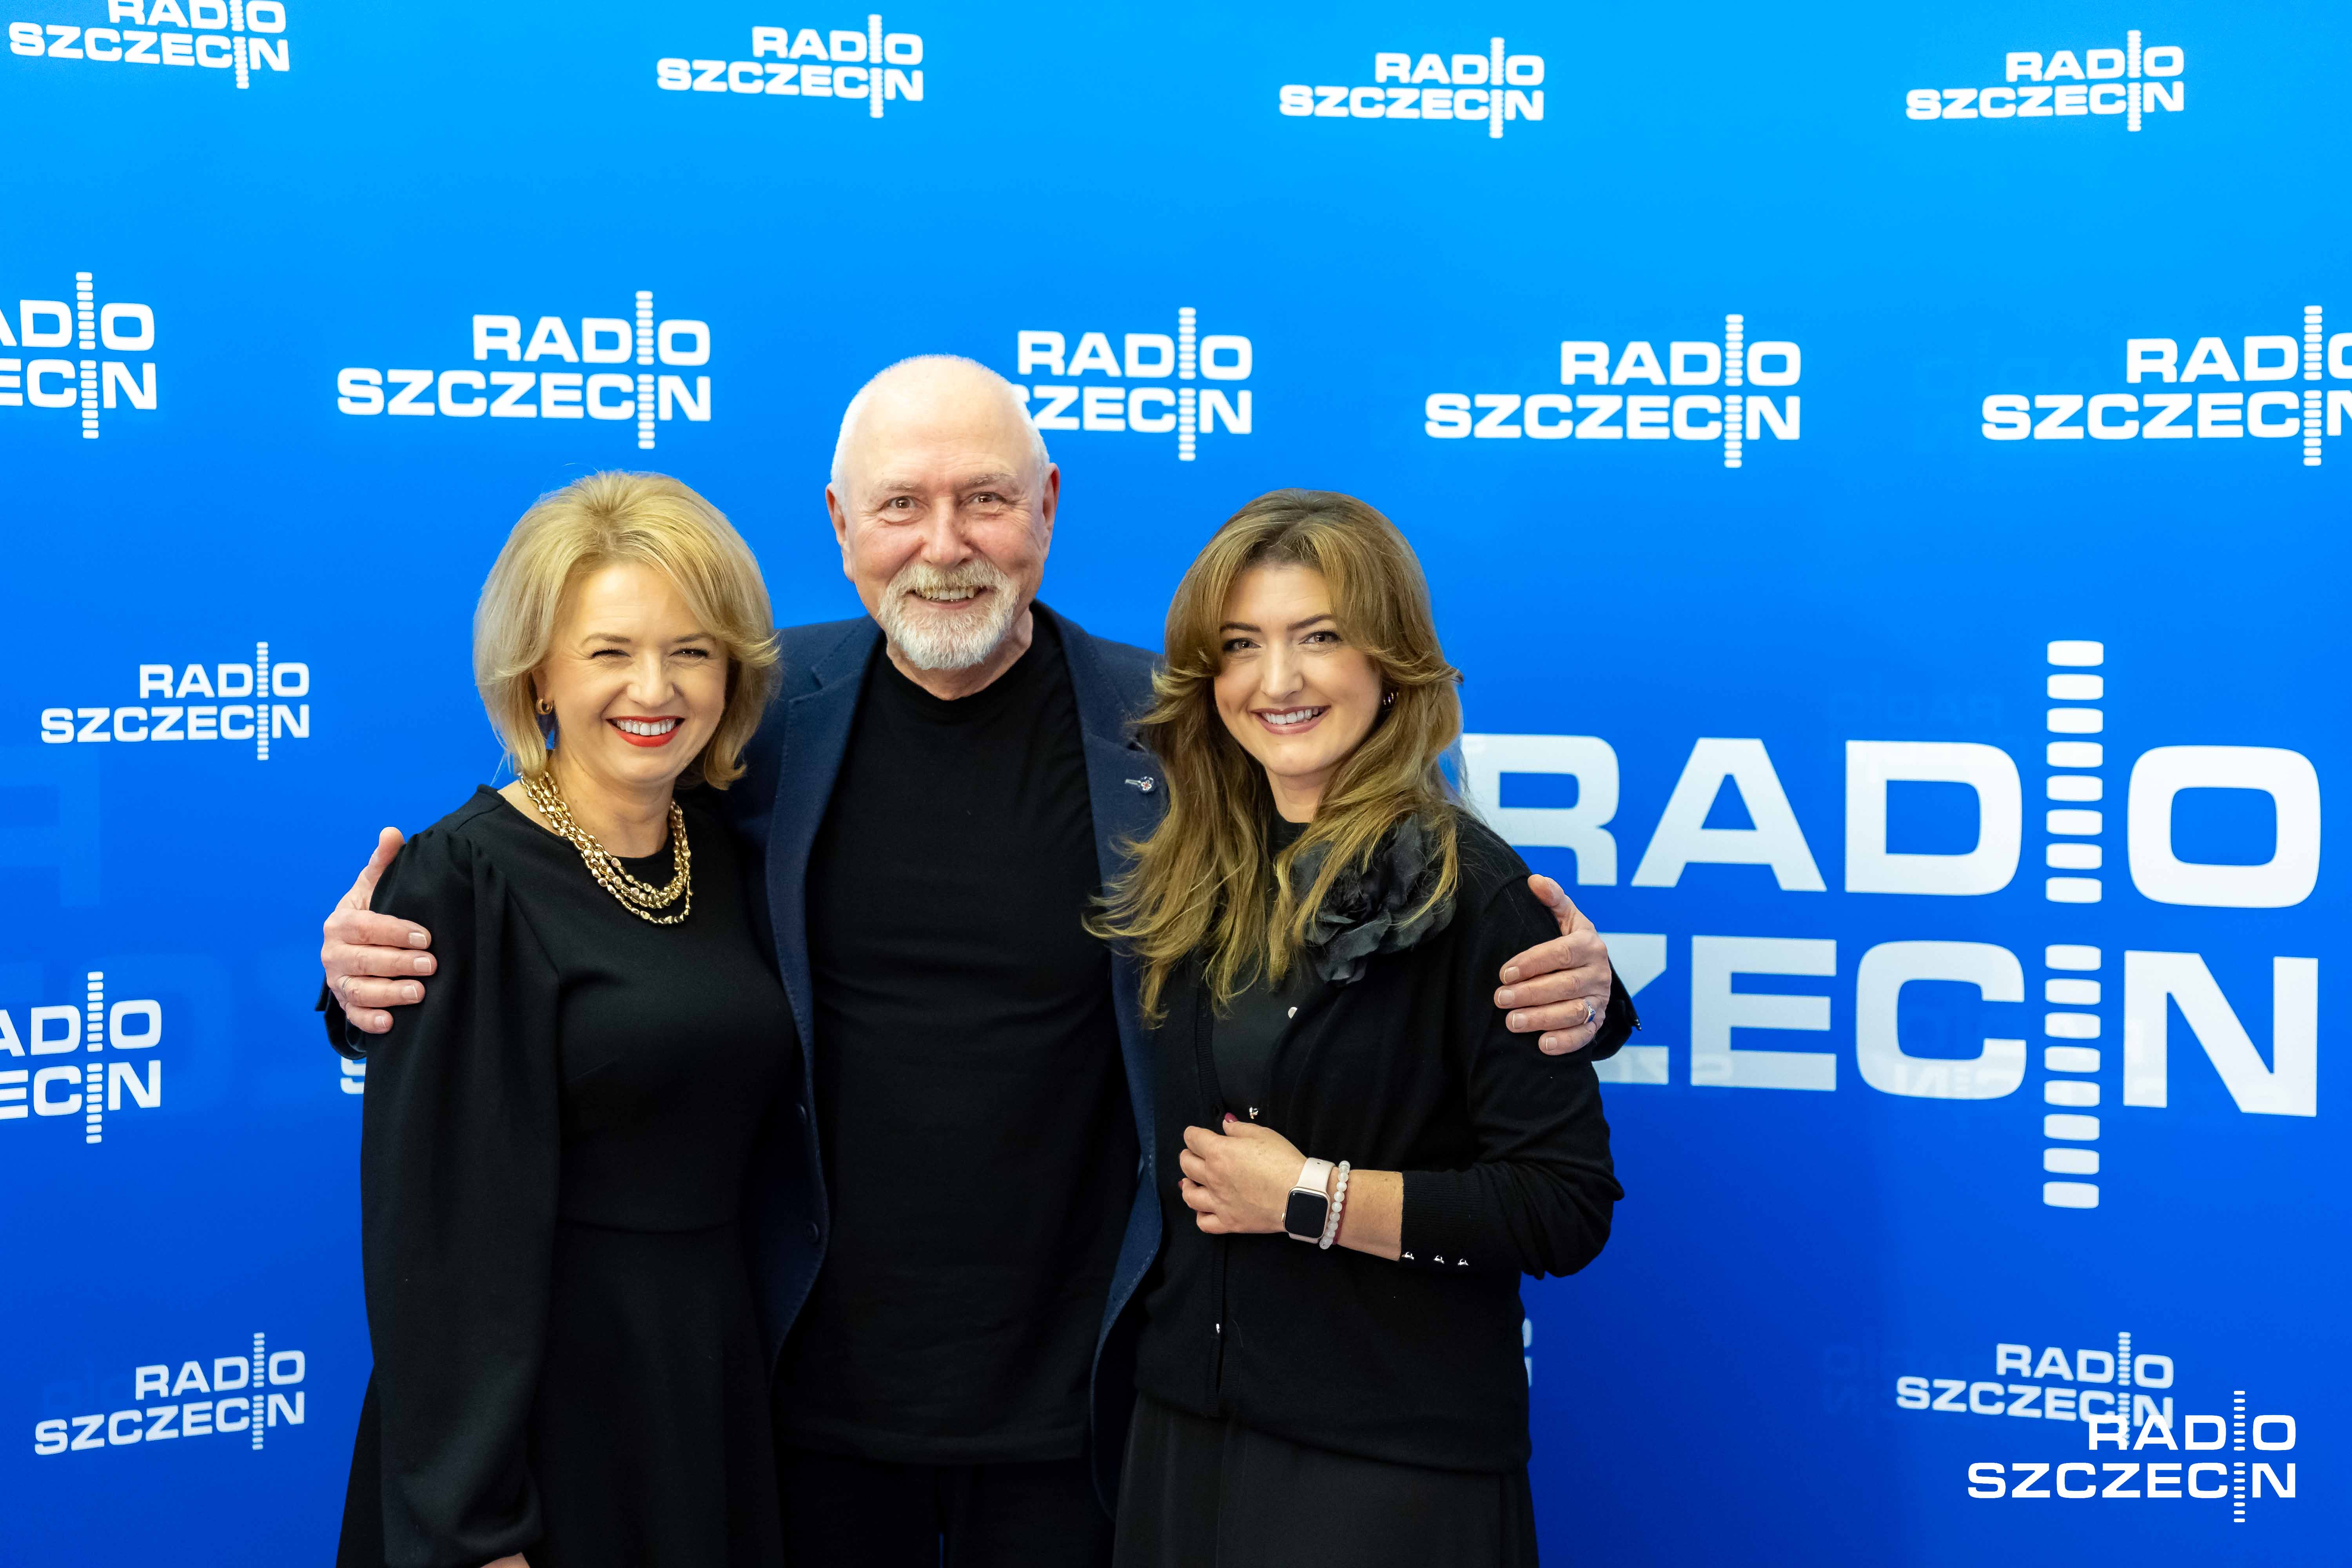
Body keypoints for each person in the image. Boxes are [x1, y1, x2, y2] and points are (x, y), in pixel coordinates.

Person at [319, 357, 1632, 1567]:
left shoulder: (1180, 731)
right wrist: (372, 986)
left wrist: (1583, 995)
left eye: (986, 501)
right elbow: (585, 906)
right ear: (841, 524)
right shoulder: (749, 718)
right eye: (902, 505)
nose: (944, 546)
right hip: (795, 1414)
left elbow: (1377, 877)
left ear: (1047, 506)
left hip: (1088, 1418)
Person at [1095, 490, 1621, 1568]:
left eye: (1320, 637)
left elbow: (1562, 1208)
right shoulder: (1190, 870)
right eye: (1242, 645)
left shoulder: (1477, 895)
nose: (1277, 681)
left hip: (1387, 1473)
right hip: (1188, 1439)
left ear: (1392, 661)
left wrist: (1310, 1198)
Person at [336, 473, 796, 1568]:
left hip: (701, 1383)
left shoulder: (729, 849)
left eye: (691, 651)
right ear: (538, 672)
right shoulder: (461, 881)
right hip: (537, 1414)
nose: (655, 687)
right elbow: (435, 1236)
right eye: (609, 652)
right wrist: (474, 1530)